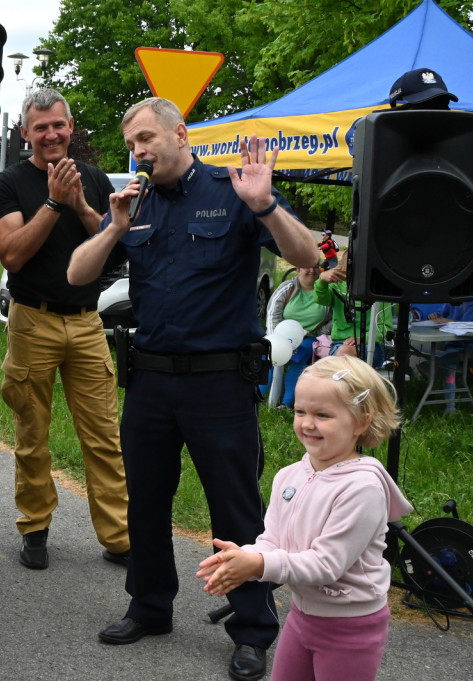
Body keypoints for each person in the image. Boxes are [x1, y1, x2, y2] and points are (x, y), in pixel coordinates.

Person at [68, 97, 319, 681]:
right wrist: (115, 231)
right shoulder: (135, 203)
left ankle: (253, 627)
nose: (140, 152)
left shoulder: (233, 191)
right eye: (132, 144)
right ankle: (150, 606)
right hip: (151, 382)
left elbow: (306, 254)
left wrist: (265, 205)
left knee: (233, 507)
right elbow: (78, 276)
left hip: (219, 385)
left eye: (148, 139)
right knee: (146, 503)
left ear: (182, 134)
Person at [197, 354, 413, 681]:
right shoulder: (289, 475)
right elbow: (273, 539)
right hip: (302, 615)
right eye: (301, 411)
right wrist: (247, 557)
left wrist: (259, 566)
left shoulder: (362, 488)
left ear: (361, 421)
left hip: (351, 627)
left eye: (323, 414)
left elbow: (326, 565)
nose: (308, 423)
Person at [0, 88, 130, 570]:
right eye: (40, 127)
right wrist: (52, 204)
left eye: (59, 125)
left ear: (71, 128)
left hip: (87, 322)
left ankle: (118, 537)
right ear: (25, 132)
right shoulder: (9, 184)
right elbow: (11, 255)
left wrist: (81, 205)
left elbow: (112, 246)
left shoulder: (92, 177)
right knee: (33, 433)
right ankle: (34, 527)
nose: (51, 134)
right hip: (33, 320)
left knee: (104, 436)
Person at [265, 266, 332, 408]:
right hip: (281, 335)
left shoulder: (326, 289)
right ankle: (256, 396)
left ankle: (286, 403)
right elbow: (272, 313)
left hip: (311, 337)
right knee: (268, 357)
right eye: (307, 267)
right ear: (298, 270)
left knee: (299, 357)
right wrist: (274, 339)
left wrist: (316, 332)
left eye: (315, 268)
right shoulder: (287, 287)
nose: (312, 271)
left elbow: (334, 317)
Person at [313, 252, 393, 367]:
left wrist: (363, 338)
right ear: (341, 267)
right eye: (349, 269)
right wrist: (322, 280)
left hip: (371, 346)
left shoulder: (379, 291)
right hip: (339, 344)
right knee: (344, 352)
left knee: (344, 355)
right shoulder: (335, 286)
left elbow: (385, 328)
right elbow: (319, 298)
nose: (355, 273)